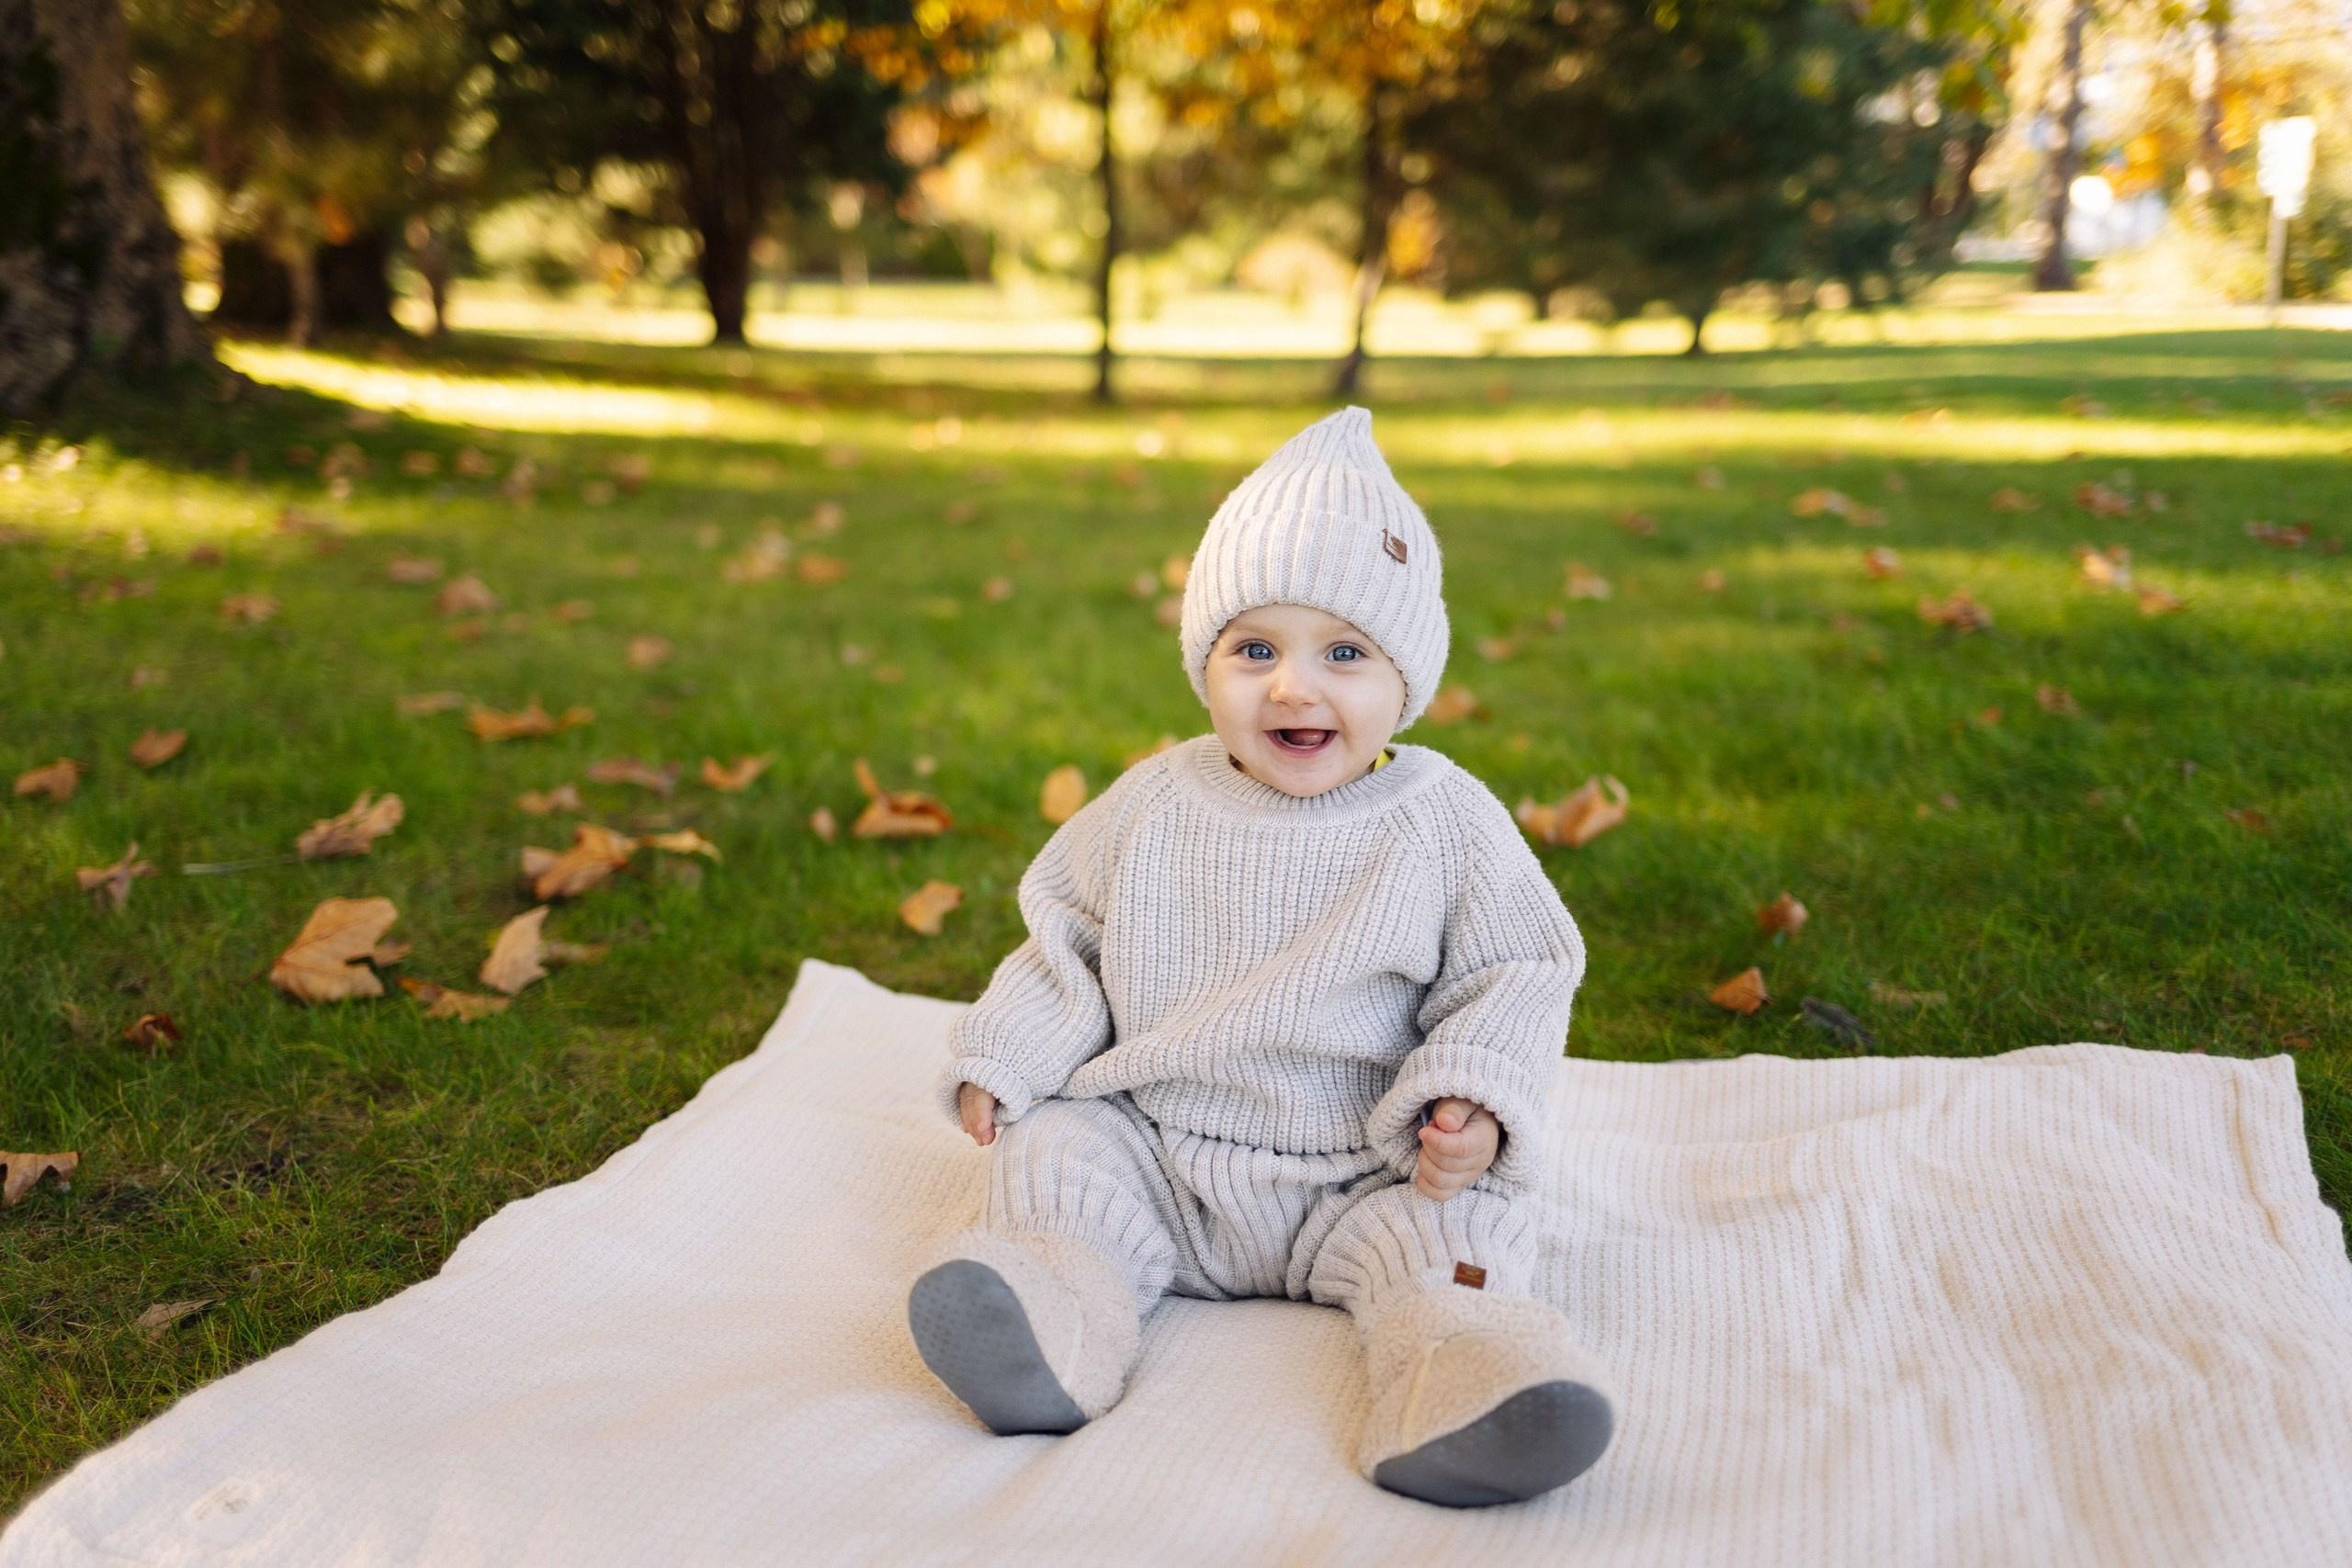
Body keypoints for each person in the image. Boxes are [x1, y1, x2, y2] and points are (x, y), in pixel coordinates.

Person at [906, 407, 1612, 1507]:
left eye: (1344, 653)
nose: (1292, 687)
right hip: (1160, 1152)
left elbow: (1515, 971)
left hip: (1369, 1171)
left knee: (1461, 1230)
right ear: (1205, 665)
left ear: (1407, 678)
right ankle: (1053, 1315)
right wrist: (1007, 1055)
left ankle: (1460, 1373)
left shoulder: (1442, 818)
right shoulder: (1152, 804)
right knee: (1055, 1156)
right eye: (1254, 650)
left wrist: (1471, 1098)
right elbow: (1066, 941)